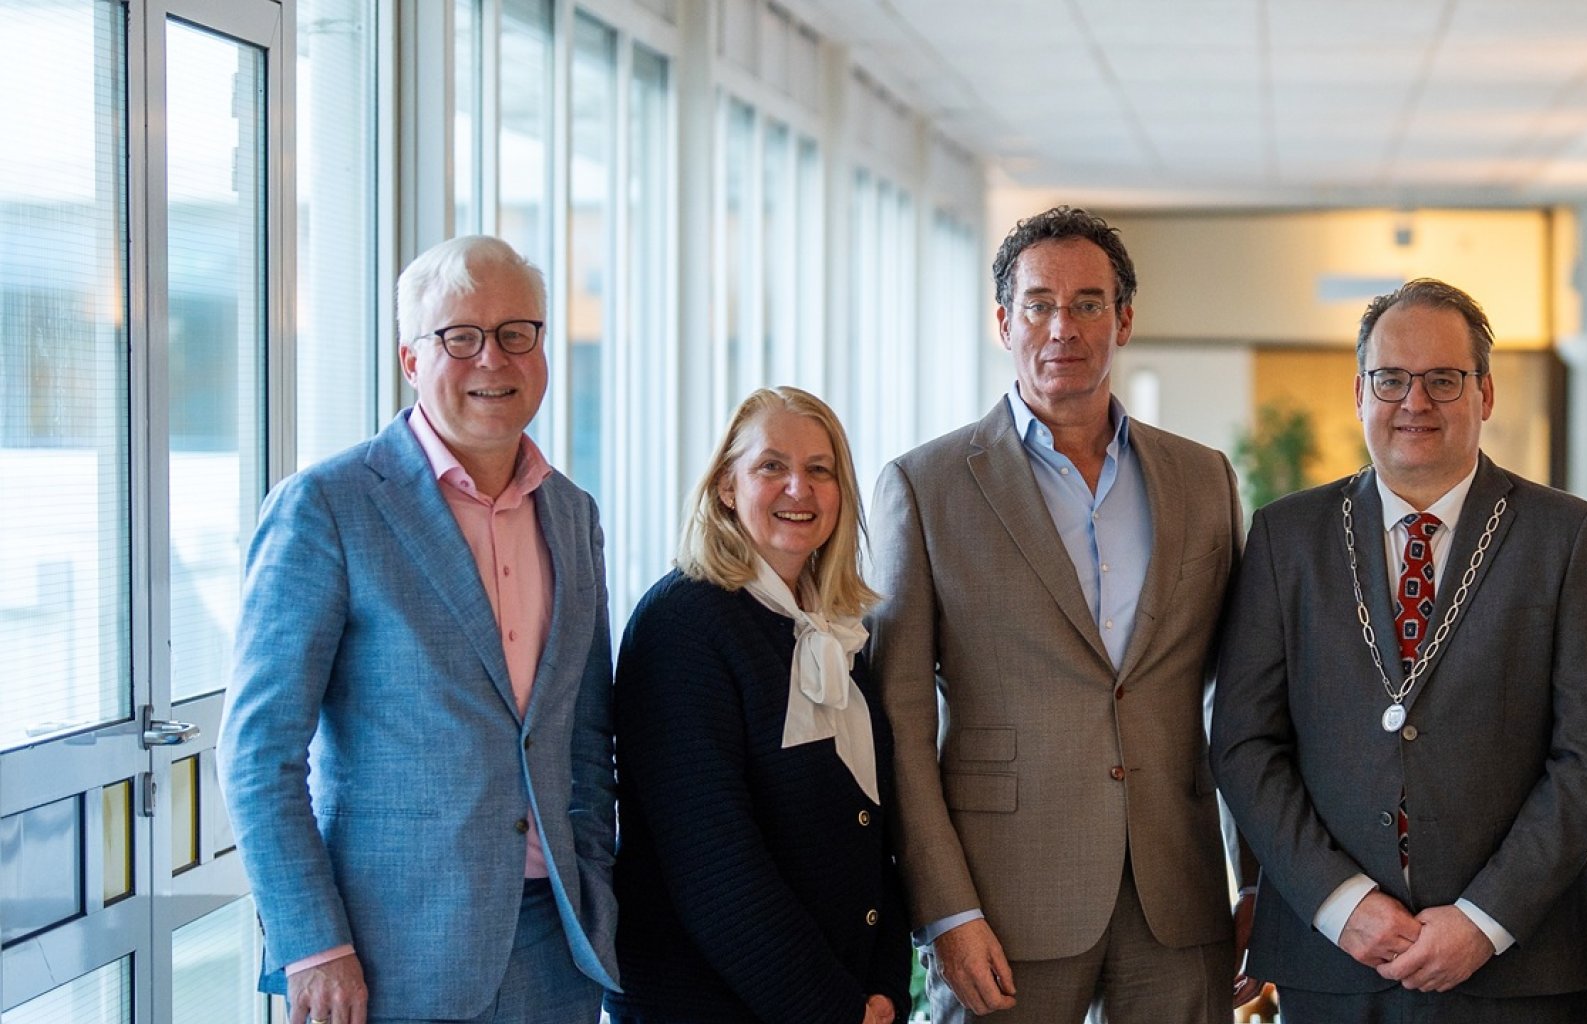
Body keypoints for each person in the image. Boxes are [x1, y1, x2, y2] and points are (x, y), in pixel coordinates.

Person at [869, 206, 1255, 1023]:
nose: (1063, 327)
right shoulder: (925, 486)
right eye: (1039, 303)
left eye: (1087, 303)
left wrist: (1255, 878)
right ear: (1005, 321)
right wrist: (945, 910)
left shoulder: (1204, 480)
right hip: (1004, 904)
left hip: (1177, 898)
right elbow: (900, 722)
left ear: (1123, 321)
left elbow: (1241, 699)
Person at [1211, 278, 1587, 1023]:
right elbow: (1246, 744)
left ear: (1486, 393)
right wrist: (1343, 904)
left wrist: (1484, 917)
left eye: (1444, 379)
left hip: (1516, 963)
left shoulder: (1566, 538)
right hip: (1334, 961)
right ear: (1359, 392)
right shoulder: (1287, 538)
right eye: (1392, 379)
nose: (1416, 402)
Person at [223, 235, 618, 1024]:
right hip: (387, 959)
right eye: (459, 337)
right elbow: (259, 753)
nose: (491, 361)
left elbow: (582, 739)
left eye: (516, 334)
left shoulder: (573, 514)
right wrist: (315, 945)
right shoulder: (327, 508)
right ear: (410, 360)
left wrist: (597, 896)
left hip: (556, 949)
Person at [607, 387, 909, 1024]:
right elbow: (716, 867)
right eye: (772, 466)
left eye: (819, 470)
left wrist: (885, 985)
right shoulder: (682, 624)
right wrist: (835, 1010)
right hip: (713, 1006)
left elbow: (873, 830)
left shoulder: (836, 630)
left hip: (846, 997)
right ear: (725, 486)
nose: (798, 487)